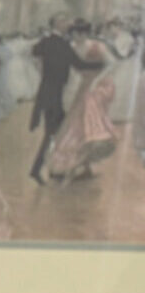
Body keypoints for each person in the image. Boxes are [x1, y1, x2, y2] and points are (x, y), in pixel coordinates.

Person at [44, 19, 118, 183]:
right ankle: (81, 166)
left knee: (85, 123)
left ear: (87, 33)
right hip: (83, 87)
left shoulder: (97, 46)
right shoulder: (71, 48)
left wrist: (97, 79)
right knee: (77, 124)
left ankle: (77, 166)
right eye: (77, 33)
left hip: (97, 88)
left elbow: (112, 64)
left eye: (82, 33)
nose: (79, 37)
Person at [30, 13, 96, 184]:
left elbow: (34, 53)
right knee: (53, 134)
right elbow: (79, 64)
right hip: (53, 95)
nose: (68, 22)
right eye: (64, 20)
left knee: (59, 134)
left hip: (52, 94)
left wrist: (41, 71)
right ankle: (39, 169)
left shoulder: (50, 41)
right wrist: (102, 65)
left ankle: (54, 169)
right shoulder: (58, 42)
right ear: (57, 23)